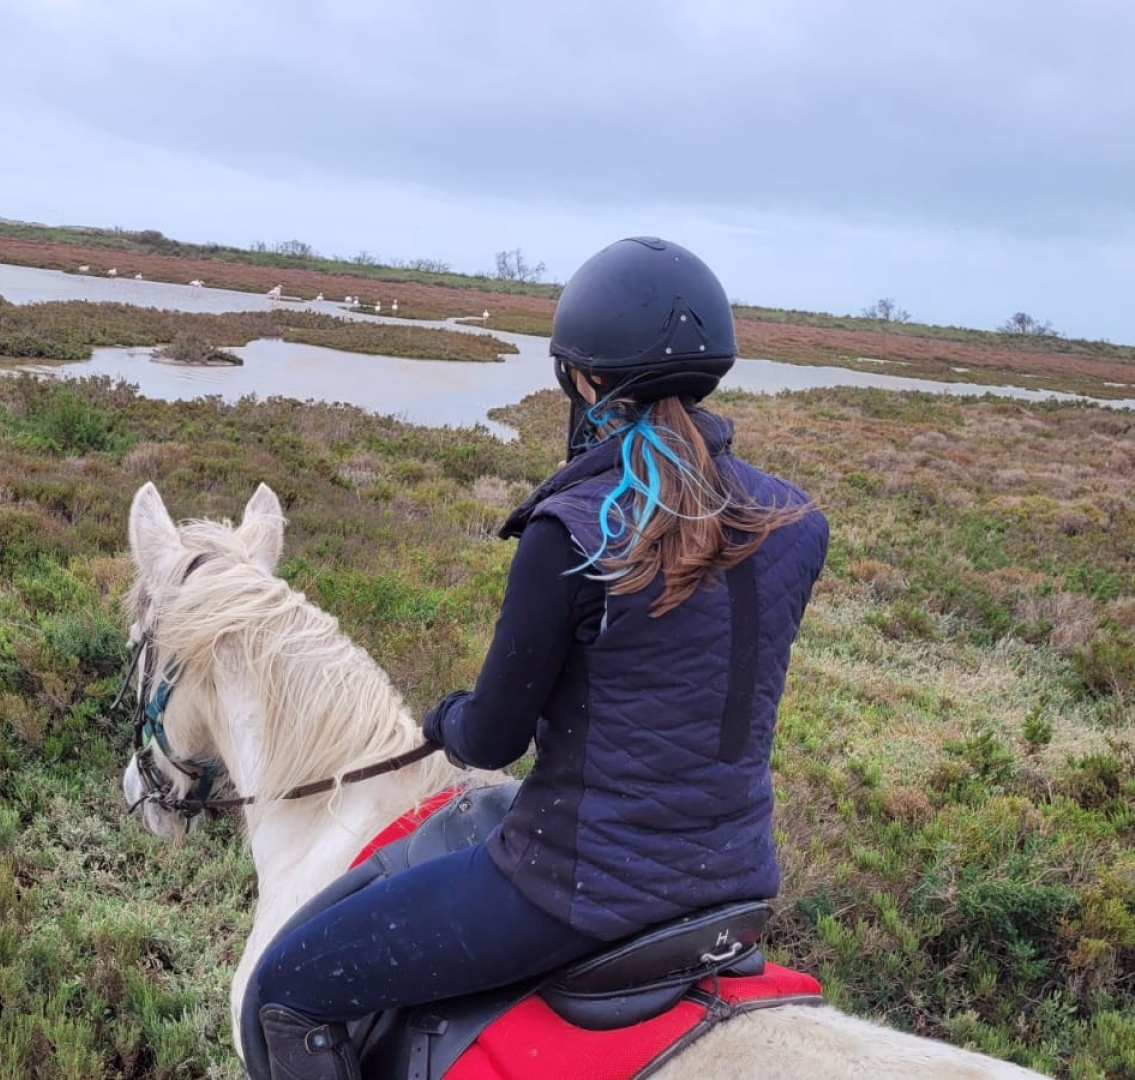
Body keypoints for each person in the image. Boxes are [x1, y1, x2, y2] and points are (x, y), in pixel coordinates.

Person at [249, 236, 831, 1080]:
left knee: (290, 987)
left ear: (586, 378)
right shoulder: (795, 521)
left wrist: (444, 716)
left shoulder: (574, 527)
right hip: (736, 879)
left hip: (582, 891)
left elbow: (491, 741)